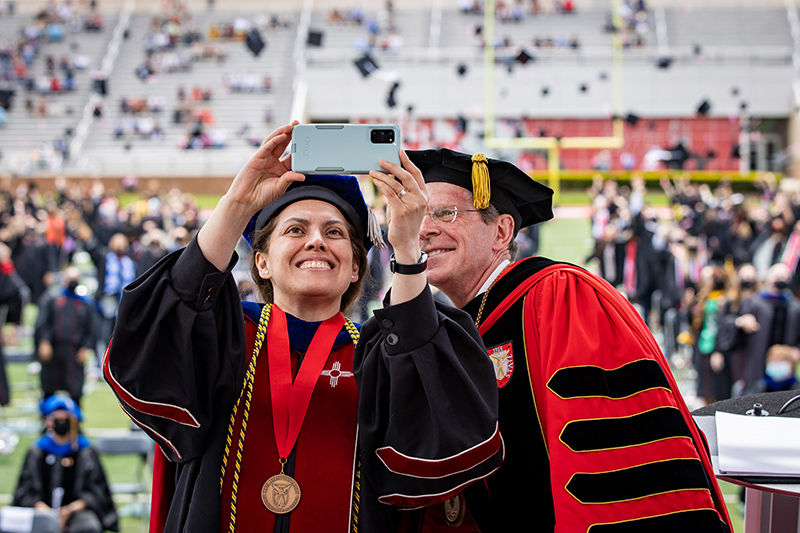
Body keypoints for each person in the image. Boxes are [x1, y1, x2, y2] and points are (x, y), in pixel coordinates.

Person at [104, 123, 502, 532]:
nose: (316, 241)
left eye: (334, 233)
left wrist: (406, 246)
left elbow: (437, 407)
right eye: (295, 230)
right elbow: (164, 326)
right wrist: (237, 205)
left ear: (354, 270)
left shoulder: (377, 361)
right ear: (261, 262)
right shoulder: (226, 340)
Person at [408, 148, 733, 532]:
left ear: (501, 232)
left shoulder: (560, 296)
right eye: (420, 216)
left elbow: (609, 455)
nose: (424, 230)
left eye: (445, 213)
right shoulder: (460, 324)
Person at [12, 395, 118, 533]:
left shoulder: (85, 452)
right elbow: (24, 490)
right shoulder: (38, 451)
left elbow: (96, 491)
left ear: (74, 421)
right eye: (57, 419)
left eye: (65, 419)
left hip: (76, 513)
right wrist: (43, 509)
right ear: (48, 421)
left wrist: (70, 509)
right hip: (40, 511)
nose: (61, 423)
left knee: (88, 526)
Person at [726, 262, 800, 393]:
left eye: (785, 277)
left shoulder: (794, 306)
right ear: (768, 278)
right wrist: (741, 322)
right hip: (757, 365)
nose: (781, 280)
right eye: (778, 276)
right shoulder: (754, 303)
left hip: (786, 370)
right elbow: (730, 326)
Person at [35, 267, 97, 406]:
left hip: (74, 352)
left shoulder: (85, 302)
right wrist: (44, 341)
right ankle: (47, 422)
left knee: (75, 389)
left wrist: (85, 348)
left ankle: (75, 424)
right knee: (49, 386)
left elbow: (91, 328)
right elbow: (42, 322)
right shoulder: (52, 299)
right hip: (53, 349)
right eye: (70, 279)